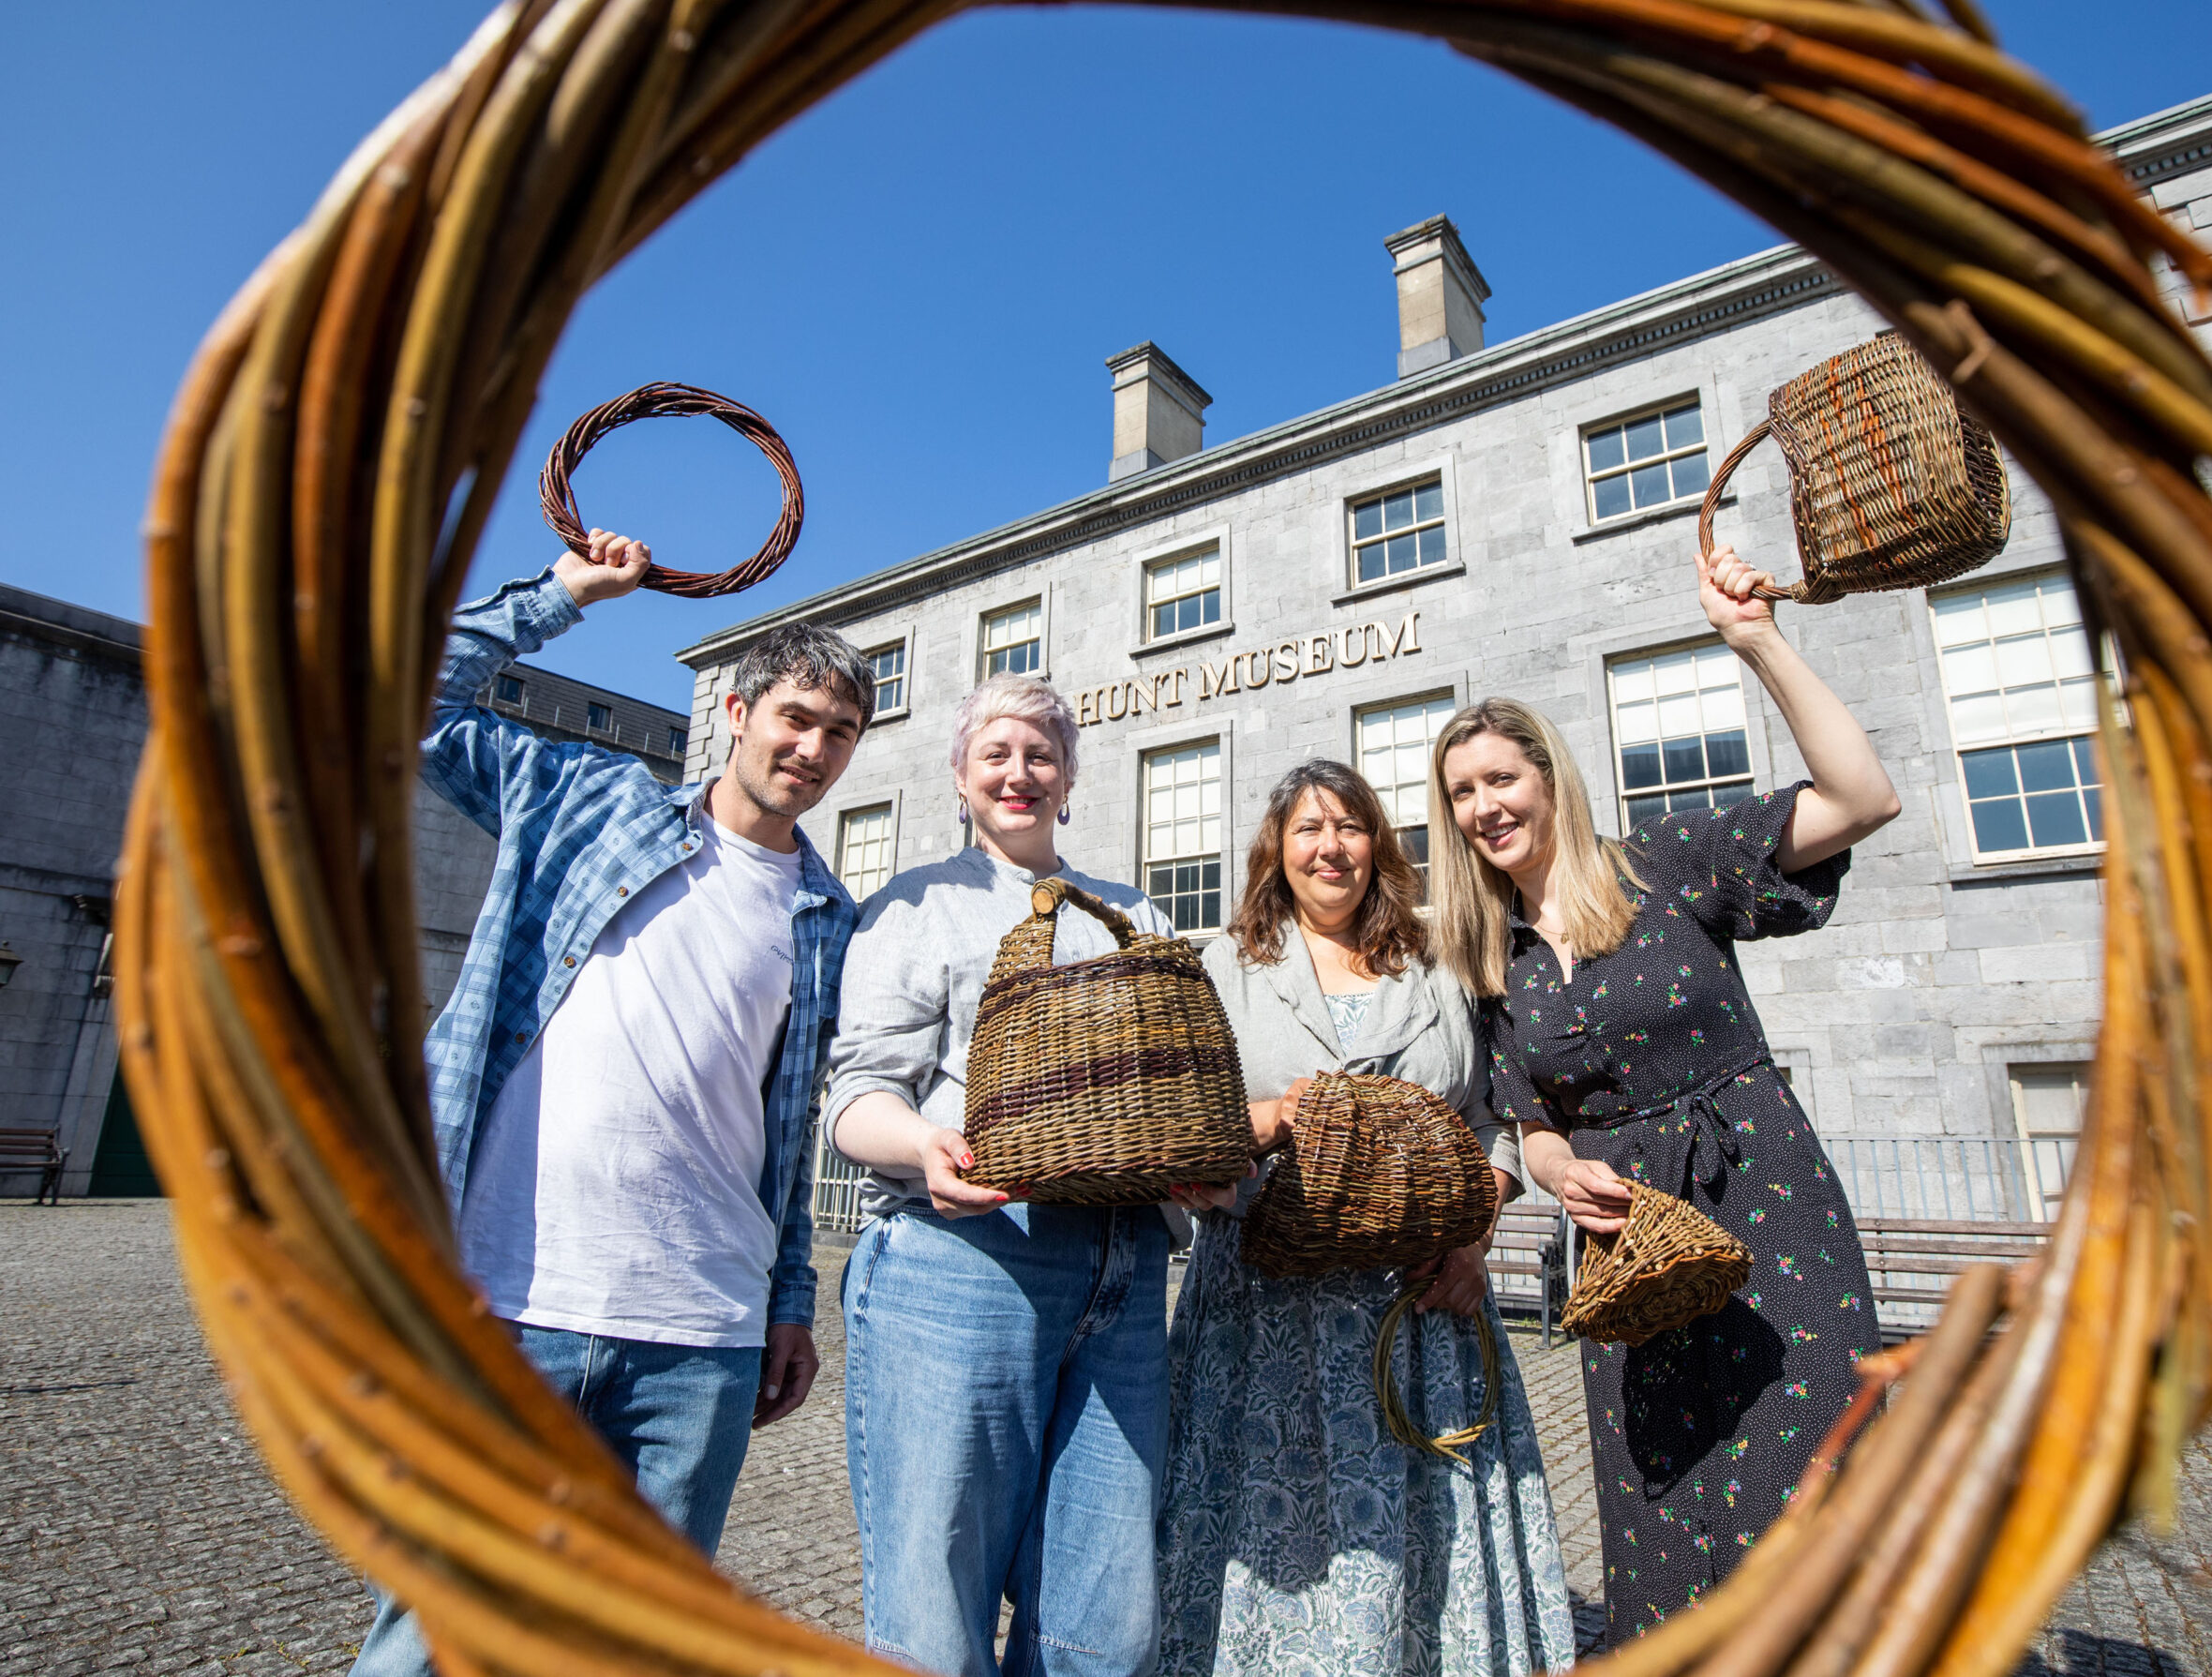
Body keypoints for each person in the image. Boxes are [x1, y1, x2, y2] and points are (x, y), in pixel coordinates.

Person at [351, 532, 873, 1677]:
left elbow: (781, 1143)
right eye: (796, 715)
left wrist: (790, 1298)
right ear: (736, 711)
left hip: (701, 1340)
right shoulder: (586, 800)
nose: (814, 747)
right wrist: (564, 595)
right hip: (510, 1300)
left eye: (840, 732)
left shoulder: (829, 919)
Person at [1427, 547, 1900, 1648]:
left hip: (1767, 1206)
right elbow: (1525, 1119)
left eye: (1501, 777)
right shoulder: (1490, 957)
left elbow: (1861, 796)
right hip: (1628, 1249)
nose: (1486, 806)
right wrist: (1554, 1171)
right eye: (1461, 793)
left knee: (1812, 1488)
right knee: (1666, 1525)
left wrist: (1756, 641)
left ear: (1548, 776)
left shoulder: (1669, 862)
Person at [824, 672, 1230, 1677]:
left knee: (1107, 1626)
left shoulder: (1135, 913)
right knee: (936, 1612)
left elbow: (1177, 1091)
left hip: (1125, 1270)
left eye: (1040, 754)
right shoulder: (915, 905)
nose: (1019, 772)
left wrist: (1202, 1170)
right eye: (996, 754)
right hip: (963, 1261)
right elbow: (855, 1097)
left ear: (1070, 778)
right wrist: (925, 1145)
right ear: (959, 776)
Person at [1158, 760, 1577, 1677]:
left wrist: (1473, 1242)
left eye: (1349, 826)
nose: (1329, 846)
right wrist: (1260, 1131)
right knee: (1272, 1533)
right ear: (1276, 849)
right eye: (1307, 828)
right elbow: (1182, 1127)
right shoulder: (1221, 968)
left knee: (1424, 1532)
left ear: (1378, 845)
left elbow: (1492, 1121)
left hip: (1416, 1311)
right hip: (1260, 1312)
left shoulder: (1437, 963)